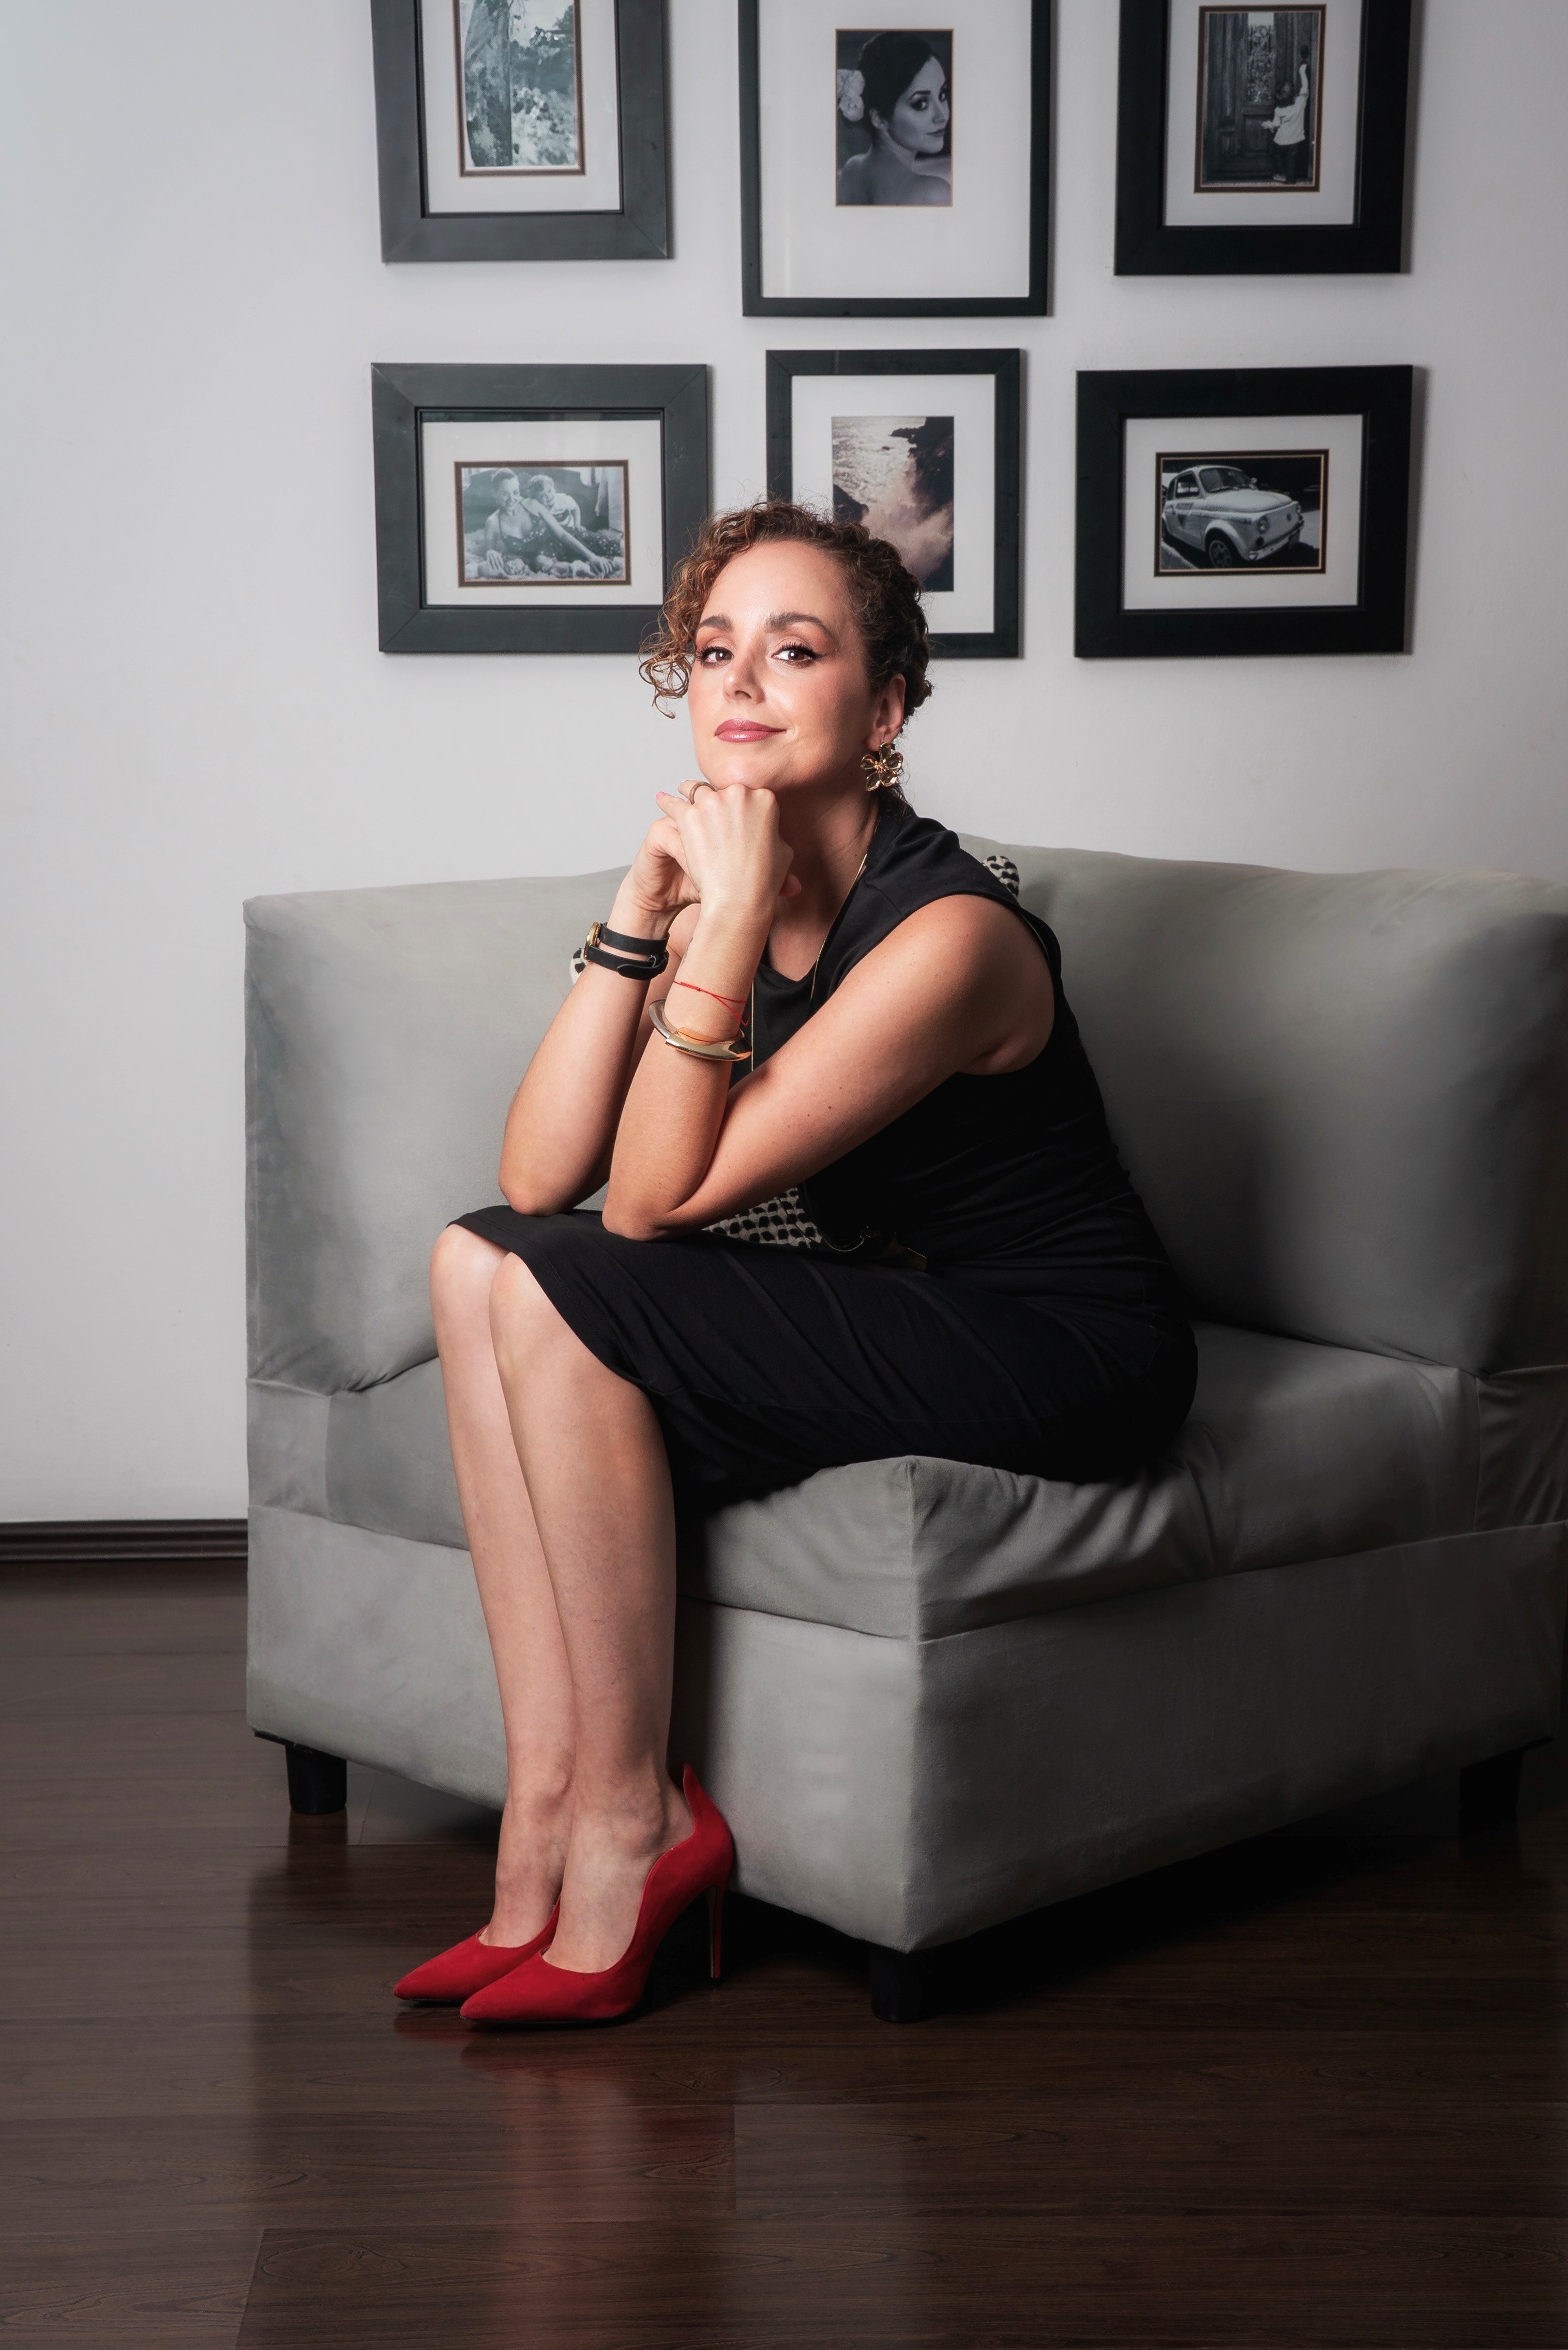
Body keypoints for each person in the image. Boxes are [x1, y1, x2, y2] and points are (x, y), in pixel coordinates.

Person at [396, 500, 1197, 2026]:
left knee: (563, 1282)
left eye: (795, 648)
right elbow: (536, 1179)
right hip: (903, 1297)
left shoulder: (950, 935)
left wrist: (717, 929)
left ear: (882, 711)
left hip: (1065, 1345)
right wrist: (639, 913)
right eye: (713, 651)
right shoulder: (736, 898)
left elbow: (649, 1205)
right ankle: (545, 1807)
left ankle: (634, 1821)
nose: (740, 681)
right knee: (473, 1258)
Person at [837, 33, 951, 207]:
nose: (942, 115)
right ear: (880, 119)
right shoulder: (933, 193)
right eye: (921, 104)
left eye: (942, 95)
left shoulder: (852, 170)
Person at [1266, 47, 1314, 186]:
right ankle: (1291, 181)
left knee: (1276, 155)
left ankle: (1280, 173)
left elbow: (1276, 125)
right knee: (1291, 162)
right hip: (1295, 142)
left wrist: (1269, 125)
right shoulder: (1300, 103)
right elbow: (1305, 87)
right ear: (1293, 96)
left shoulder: (1279, 110)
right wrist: (1302, 71)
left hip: (1280, 142)